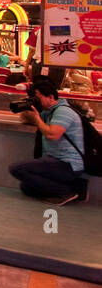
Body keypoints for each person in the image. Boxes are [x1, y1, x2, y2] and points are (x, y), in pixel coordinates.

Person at [8, 77, 90, 205]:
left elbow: (53, 135)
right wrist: (28, 106)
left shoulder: (63, 111)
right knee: (26, 187)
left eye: (39, 98)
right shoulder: (50, 111)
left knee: (17, 169)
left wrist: (37, 118)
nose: (38, 101)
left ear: (51, 97)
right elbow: (27, 120)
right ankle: (78, 187)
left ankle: (66, 192)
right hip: (55, 161)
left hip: (67, 164)